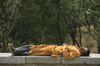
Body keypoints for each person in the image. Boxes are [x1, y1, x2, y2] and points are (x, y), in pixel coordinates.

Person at [8, 43, 90, 60]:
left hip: (52, 51)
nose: (83, 48)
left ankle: (16, 52)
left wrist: (65, 47)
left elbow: (67, 56)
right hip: (53, 47)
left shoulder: (77, 53)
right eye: (84, 48)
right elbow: (67, 47)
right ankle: (16, 49)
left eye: (84, 50)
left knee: (34, 51)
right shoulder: (77, 48)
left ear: (84, 53)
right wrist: (65, 45)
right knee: (34, 47)